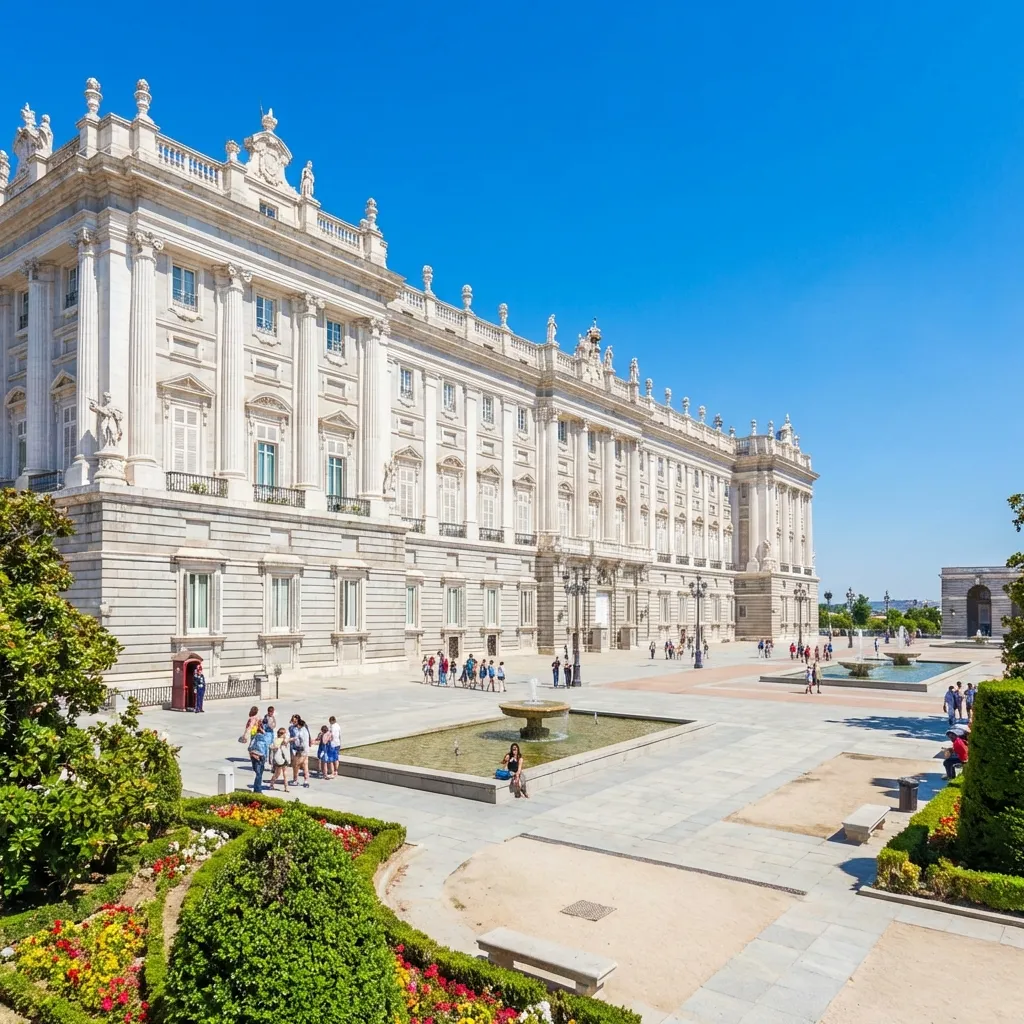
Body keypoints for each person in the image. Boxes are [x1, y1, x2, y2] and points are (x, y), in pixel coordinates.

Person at [248, 721, 271, 794]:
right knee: (259, 774)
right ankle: (257, 790)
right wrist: (254, 755)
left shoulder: (263, 737)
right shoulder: (257, 737)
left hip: (261, 757)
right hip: (257, 757)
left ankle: (257, 789)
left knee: (259, 774)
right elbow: (250, 748)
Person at [268, 727, 291, 792]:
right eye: (284, 733)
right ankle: (285, 788)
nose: (285, 734)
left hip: (279, 759)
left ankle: (272, 785)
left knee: (278, 773)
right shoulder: (283, 741)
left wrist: (271, 759)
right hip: (283, 758)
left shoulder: (275, 740)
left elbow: (271, 749)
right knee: (283, 773)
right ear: (283, 734)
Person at [291, 714, 311, 788]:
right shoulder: (305, 729)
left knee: (296, 765)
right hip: (306, 750)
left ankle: (295, 780)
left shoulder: (301, 731)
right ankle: (306, 781)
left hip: (301, 750)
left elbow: (299, 740)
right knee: (305, 765)